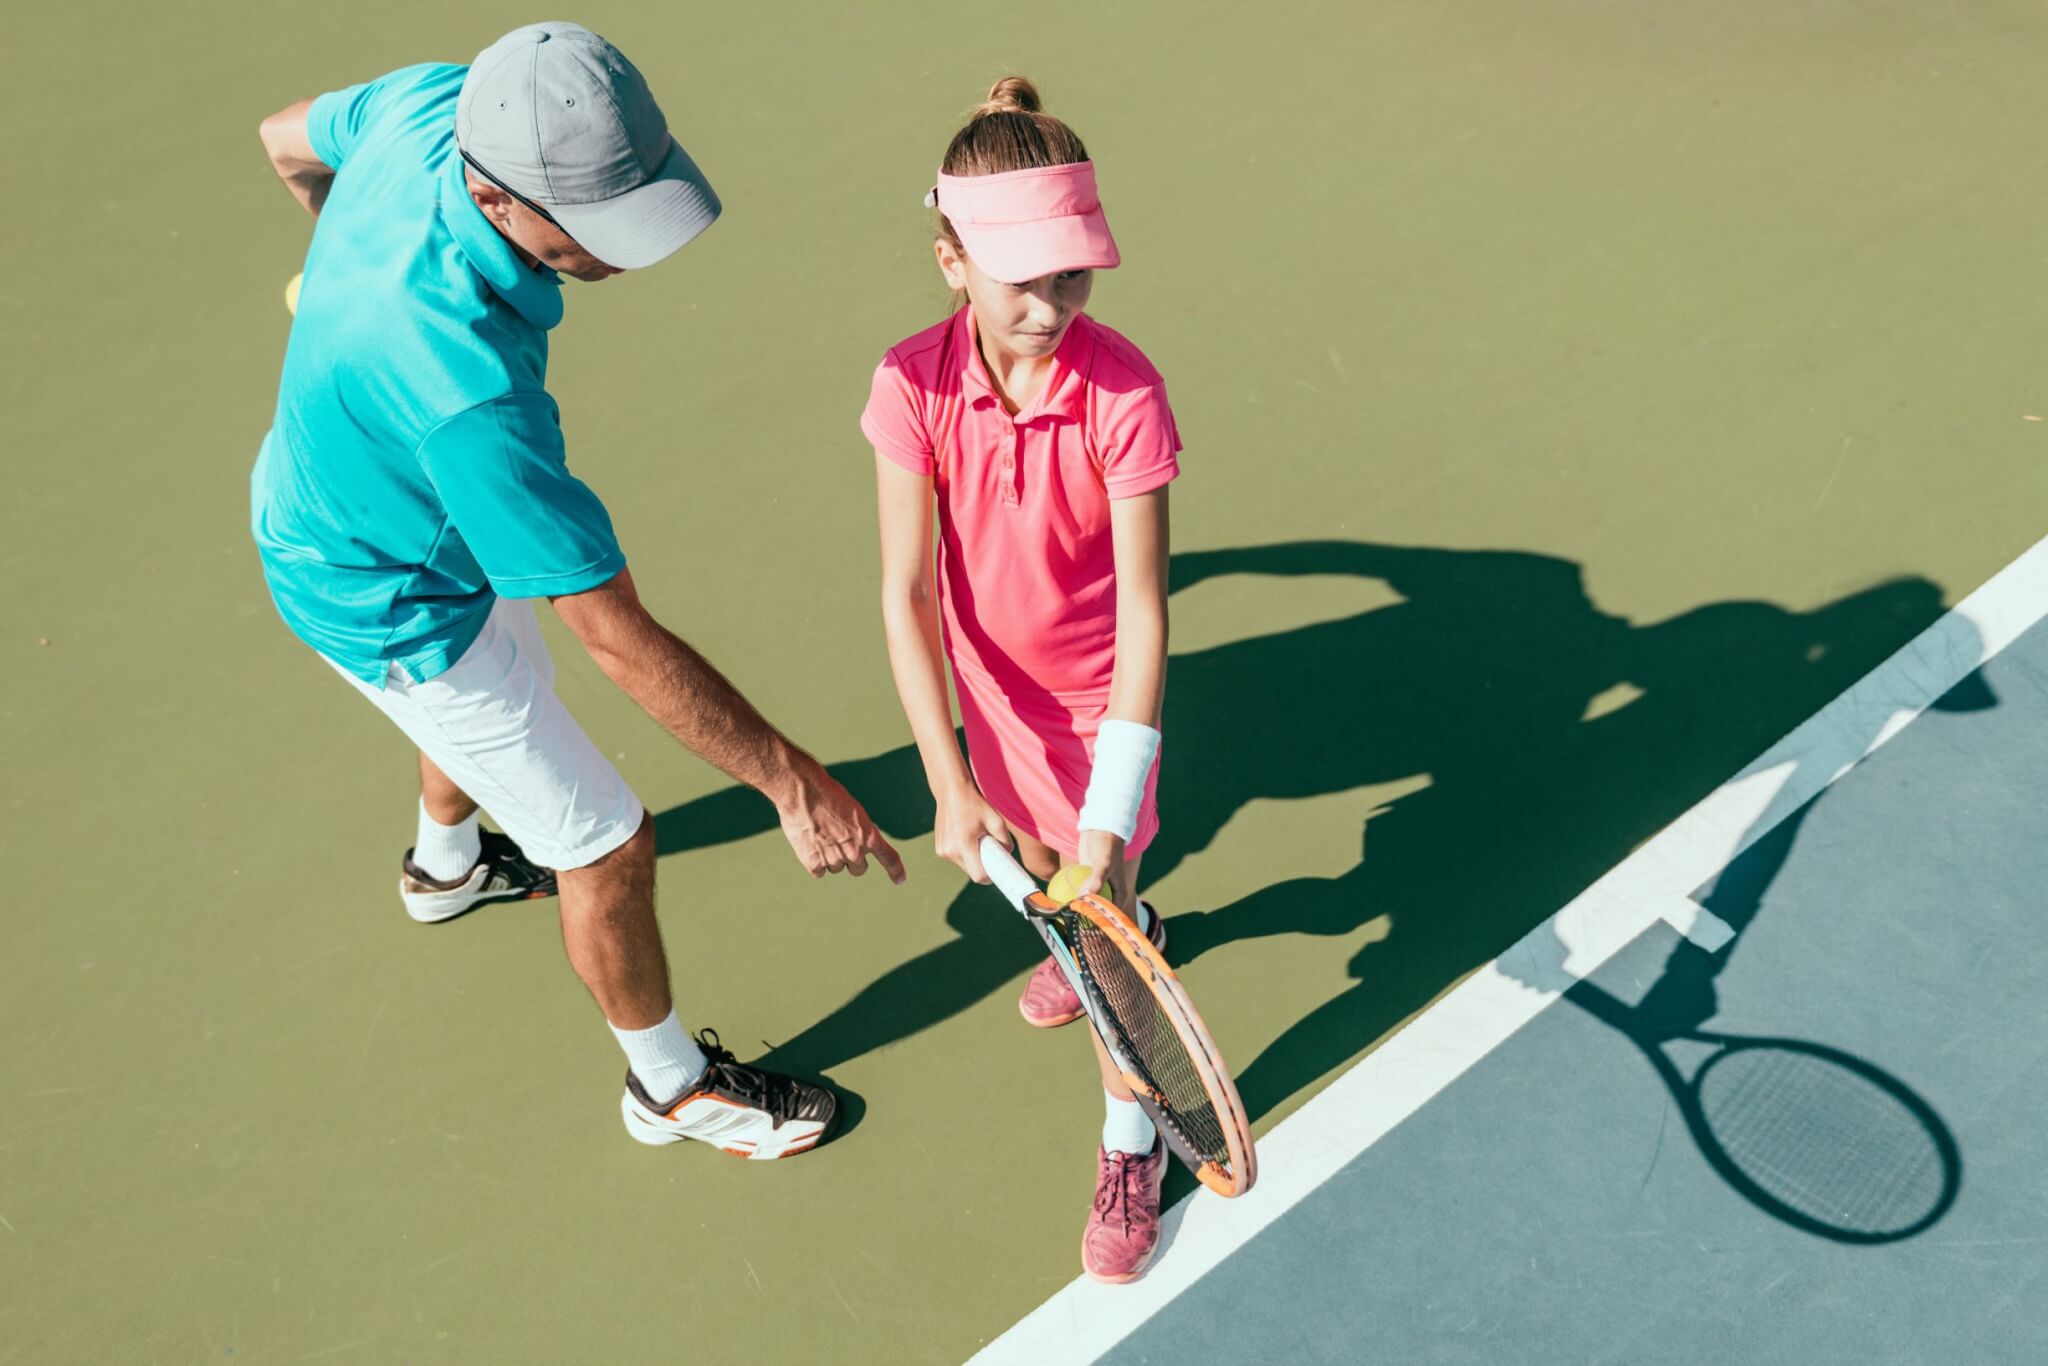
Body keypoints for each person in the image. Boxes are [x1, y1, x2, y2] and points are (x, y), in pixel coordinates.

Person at [251, 22, 901, 1162]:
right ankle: (672, 1092)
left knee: (501, 691)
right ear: (501, 201)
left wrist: (342, 260)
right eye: (592, 222)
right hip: (387, 595)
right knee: (601, 844)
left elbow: (283, 139)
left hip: (359, 503)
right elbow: (615, 634)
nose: (623, 246)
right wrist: (788, 784)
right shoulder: (466, 394)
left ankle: (443, 870)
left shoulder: (434, 108)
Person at [861, 77, 1180, 1281]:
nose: (1049, 306)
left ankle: (1128, 1136)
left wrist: (1108, 811)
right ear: (951, 260)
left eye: (1073, 279)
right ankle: (1094, 930)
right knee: (1052, 889)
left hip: (1103, 717)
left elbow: (1147, 609)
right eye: (1021, 280)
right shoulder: (909, 385)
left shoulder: (1125, 393)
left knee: (1102, 944)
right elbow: (904, 595)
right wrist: (947, 783)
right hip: (993, 712)